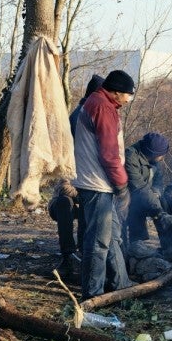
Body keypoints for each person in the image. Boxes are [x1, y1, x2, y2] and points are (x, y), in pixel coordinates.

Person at [71, 69, 136, 299]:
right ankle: (92, 297)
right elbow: (110, 155)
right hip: (98, 184)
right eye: (128, 94)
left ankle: (117, 286)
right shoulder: (102, 107)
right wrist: (122, 186)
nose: (129, 99)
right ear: (116, 92)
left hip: (94, 183)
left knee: (104, 238)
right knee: (98, 244)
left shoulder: (97, 102)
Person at [48, 74, 104, 276]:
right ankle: (68, 256)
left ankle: (82, 256)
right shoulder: (81, 116)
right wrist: (82, 191)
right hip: (67, 198)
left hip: (87, 191)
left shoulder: (91, 113)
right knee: (66, 202)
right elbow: (63, 183)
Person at [123, 132, 171, 258]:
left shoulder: (154, 159)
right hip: (128, 195)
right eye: (161, 155)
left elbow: (158, 180)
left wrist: (156, 192)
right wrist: (158, 209)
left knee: (162, 201)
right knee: (137, 204)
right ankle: (138, 244)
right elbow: (138, 186)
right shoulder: (130, 156)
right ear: (153, 153)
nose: (163, 157)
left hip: (146, 193)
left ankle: (169, 245)